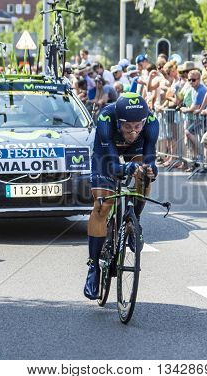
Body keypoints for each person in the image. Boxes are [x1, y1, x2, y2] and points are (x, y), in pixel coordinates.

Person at [84, 93, 159, 300]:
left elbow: (150, 158)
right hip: (106, 150)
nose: (133, 132)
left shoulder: (152, 123)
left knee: (144, 176)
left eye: (138, 127)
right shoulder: (106, 119)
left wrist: (149, 170)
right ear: (119, 121)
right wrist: (127, 167)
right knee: (102, 206)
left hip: (134, 152)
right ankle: (93, 268)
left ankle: (133, 223)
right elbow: (112, 165)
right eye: (128, 127)